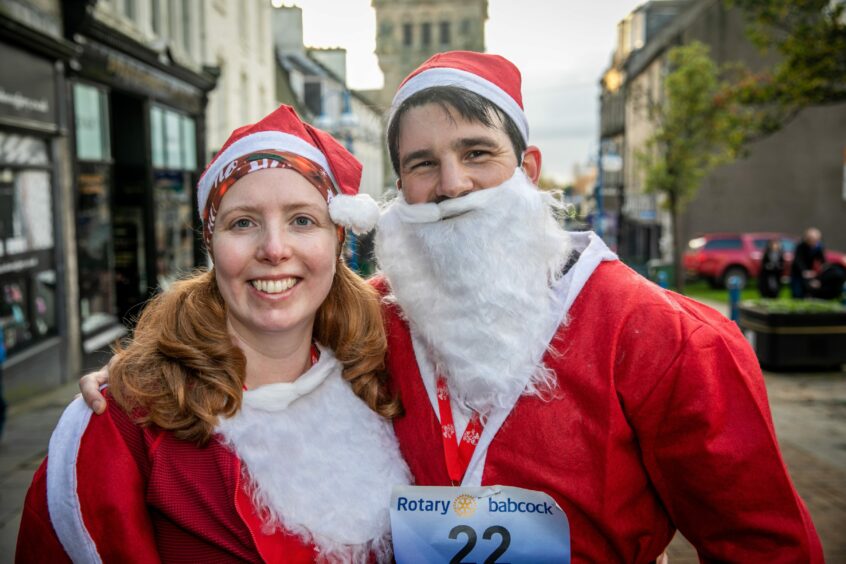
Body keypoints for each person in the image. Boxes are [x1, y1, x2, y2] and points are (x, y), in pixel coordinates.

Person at [81, 52, 823, 561]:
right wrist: (131, 379)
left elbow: (763, 547)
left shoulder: (671, 338)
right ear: (400, 190)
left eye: (476, 153)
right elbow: (264, 330)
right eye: (422, 165)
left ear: (528, 168)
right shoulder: (374, 317)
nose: (453, 184)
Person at [17, 105, 410, 563]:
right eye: (242, 222)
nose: (274, 250)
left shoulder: (385, 376)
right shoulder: (129, 419)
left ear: (337, 242)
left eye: (302, 220)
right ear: (211, 243)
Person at [790, 227, 825, 298]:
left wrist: (821, 268)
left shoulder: (818, 247)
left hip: (809, 271)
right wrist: (804, 271)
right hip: (798, 271)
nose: (814, 242)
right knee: (797, 291)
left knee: (807, 289)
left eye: (816, 240)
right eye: (812, 240)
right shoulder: (800, 246)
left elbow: (821, 259)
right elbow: (798, 260)